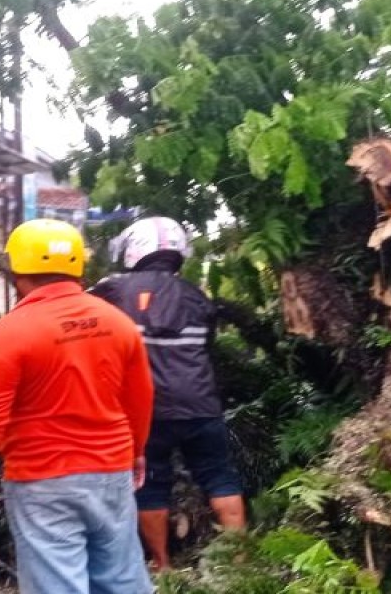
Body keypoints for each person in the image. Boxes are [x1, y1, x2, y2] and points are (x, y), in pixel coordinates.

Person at [0, 219, 155, 594]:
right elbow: (140, 397)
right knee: (121, 581)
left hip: (41, 479)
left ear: (17, 268)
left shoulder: (11, 332)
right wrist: (136, 451)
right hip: (111, 471)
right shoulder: (118, 323)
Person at [91, 216, 246, 571]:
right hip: (201, 406)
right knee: (220, 477)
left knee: (150, 486)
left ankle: (162, 566)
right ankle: (240, 563)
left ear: (133, 249)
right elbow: (206, 346)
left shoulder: (112, 291)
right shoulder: (197, 296)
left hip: (147, 412)